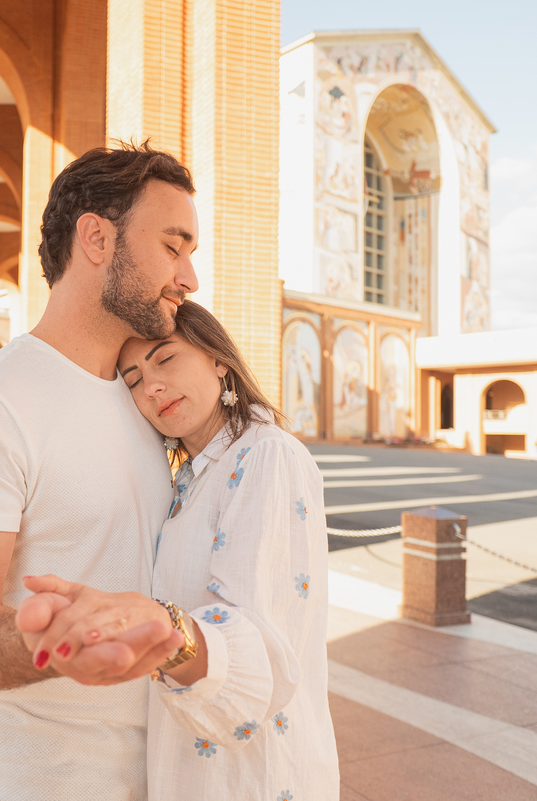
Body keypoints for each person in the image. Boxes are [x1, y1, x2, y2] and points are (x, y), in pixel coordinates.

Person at [0, 142, 199, 800]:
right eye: (174, 245)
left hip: (161, 774)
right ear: (96, 238)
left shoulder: (149, 398)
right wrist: (48, 641)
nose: (189, 277)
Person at [19, 300, 340, 799]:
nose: (152, 387)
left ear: (218, 359)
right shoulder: (187, 479)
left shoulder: (267, 455)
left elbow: (258, 636)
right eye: (133, 379)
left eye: (165, 360)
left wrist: (161, 627)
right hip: (188, 762)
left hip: (252, 775)